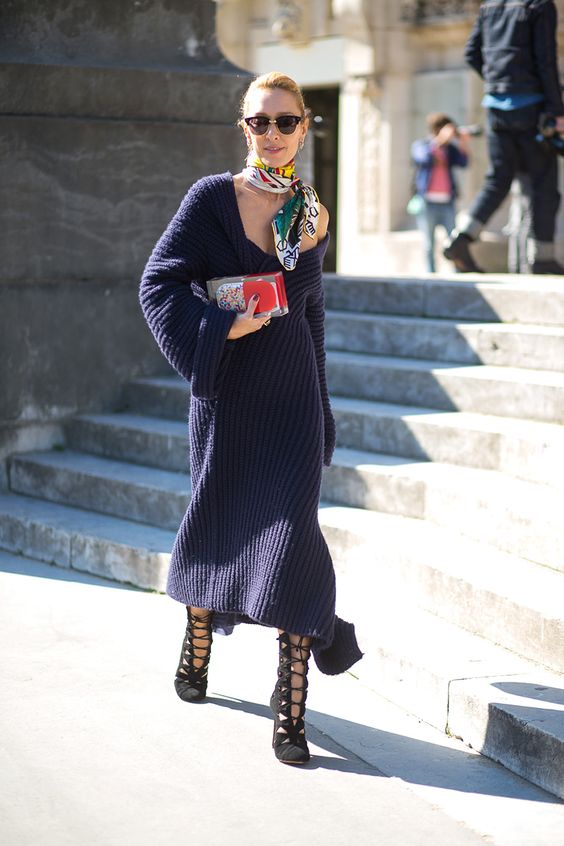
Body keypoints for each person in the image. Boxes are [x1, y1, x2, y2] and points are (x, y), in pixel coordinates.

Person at [139, 71, 362, 766]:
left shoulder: (313, 216)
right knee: (217, 520)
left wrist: (321, 405)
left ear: (304, 128)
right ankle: (198, 631)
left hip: (291, 394)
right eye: (259, 122)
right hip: (229, 392)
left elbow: (311, 313)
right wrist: (222, 328)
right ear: (244, 128)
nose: (272, 134)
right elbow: (158, 282)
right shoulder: (211, 199)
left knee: (295, 540)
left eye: (285, 122)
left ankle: (289, 708)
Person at [443, 0, 564, 274]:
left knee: (498, 179)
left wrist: (499, 82)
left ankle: (460, 238)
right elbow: (546, 60)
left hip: (496, 109)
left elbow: (472, 53)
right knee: (545, 185)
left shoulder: (490, 7)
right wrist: (557, 110)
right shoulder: (539, 6)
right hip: (531, 108)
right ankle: (542, 259)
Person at [411, 113, 470, 272]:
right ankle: (431, 274)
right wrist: (440, 141)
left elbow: (463, 163)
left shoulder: (449, 149)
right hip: (427, 201)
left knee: (453, 240)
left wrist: (463, 143)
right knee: (429, 243)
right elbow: (423, 159)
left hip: (447, 201)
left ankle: (456, 272)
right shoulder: (422, 145)